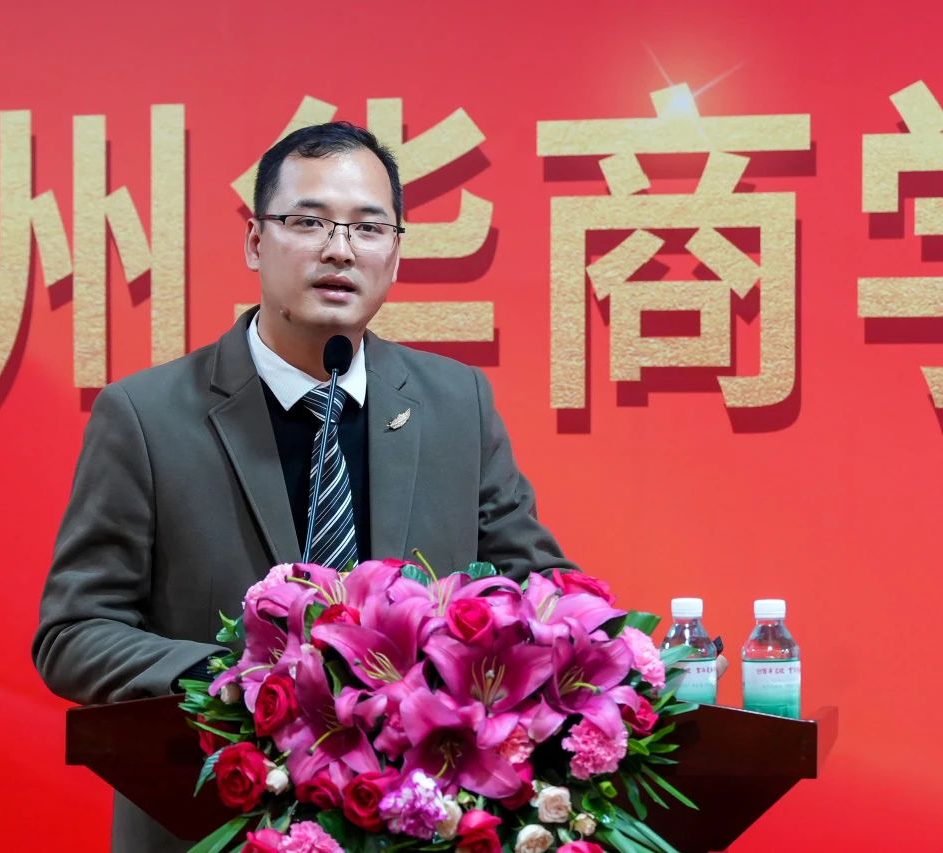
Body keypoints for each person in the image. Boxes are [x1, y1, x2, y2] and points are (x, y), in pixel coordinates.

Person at [32, 122, 575, 852]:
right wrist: (243, 678)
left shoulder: (456, 404)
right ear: (256, 241)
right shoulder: (146, 417)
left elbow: (540, 592)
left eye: (368, 227)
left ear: (395, 252)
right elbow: (72, 635)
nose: (339, 249)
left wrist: (634, 661)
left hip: (420, 824)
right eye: (308, 221)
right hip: (212, 823)